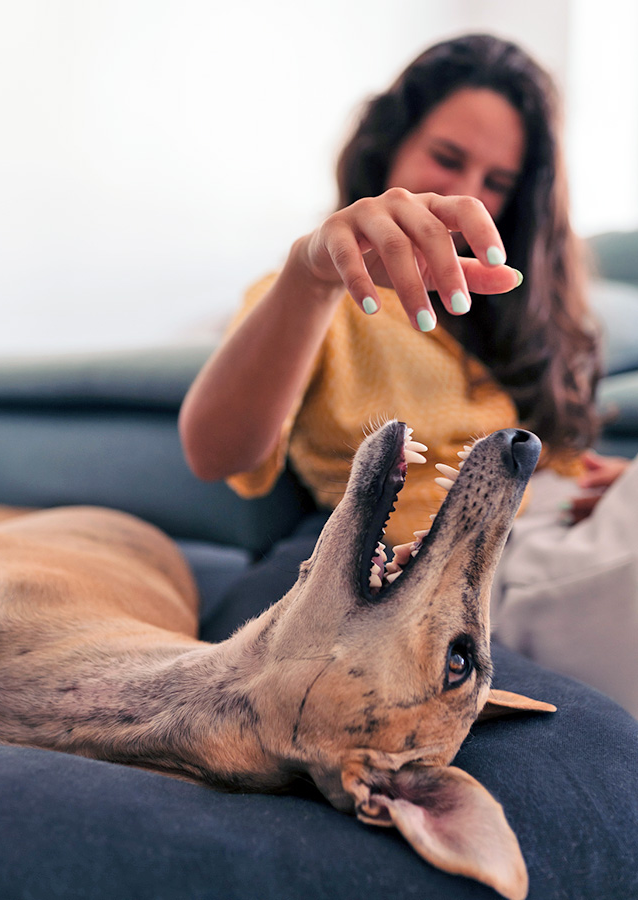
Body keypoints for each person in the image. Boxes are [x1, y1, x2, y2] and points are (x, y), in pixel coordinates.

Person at [179, 34, 637, 717]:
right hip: (460, 567)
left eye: (498, 182)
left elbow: (550, 455)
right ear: (387, 145)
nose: (466, 194)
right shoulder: (317, 297)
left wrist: (608, 481)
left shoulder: (498, 309)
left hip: (564, 538)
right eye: (446, 158)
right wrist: (311, 277)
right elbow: (214, 450)